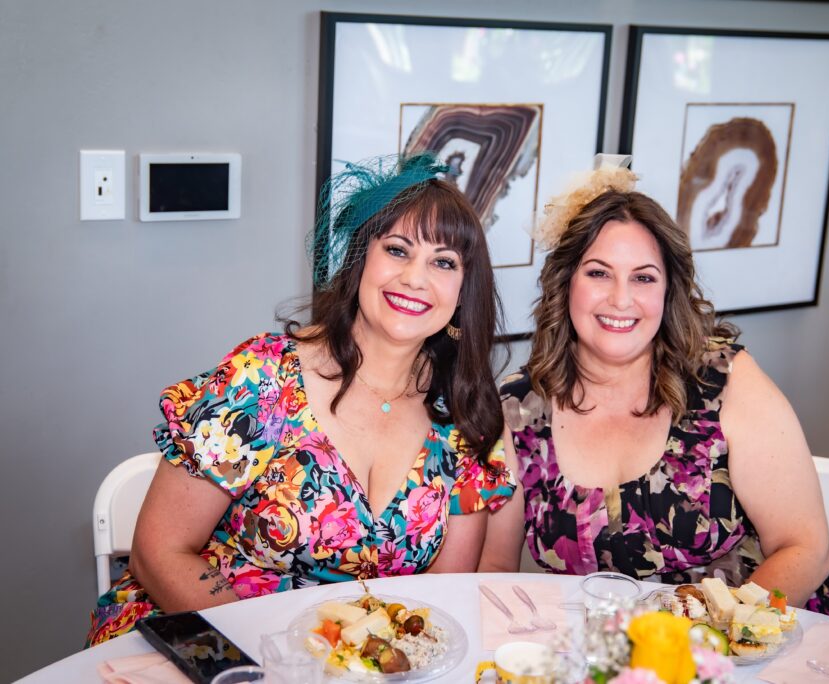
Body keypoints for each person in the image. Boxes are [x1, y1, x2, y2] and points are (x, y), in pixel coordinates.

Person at [88, 154, 515, 645]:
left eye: (443, 262)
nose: (416, 278)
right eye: (397, 250)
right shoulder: (262, 381)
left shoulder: (462, 416)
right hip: (210, 641)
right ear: (360, 261)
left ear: (463, 291)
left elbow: (442, 594)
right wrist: (270, 664)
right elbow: (160, 550)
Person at [479, 162, 829, 620]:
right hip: (605, 656)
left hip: (760, 638)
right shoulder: (518, 409)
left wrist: (705, 646)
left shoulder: (725, 382)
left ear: (667, 290)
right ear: (565, 284)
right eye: (599, 273)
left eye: (643, 277)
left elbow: (806, 550)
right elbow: (496, 568)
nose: (621, 299)